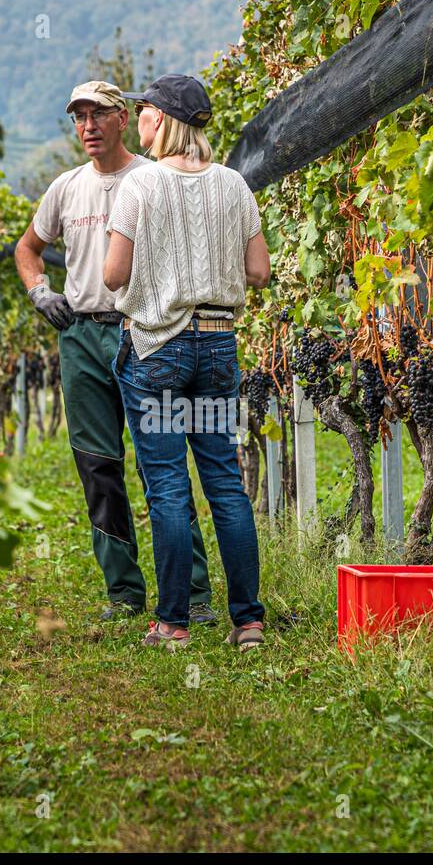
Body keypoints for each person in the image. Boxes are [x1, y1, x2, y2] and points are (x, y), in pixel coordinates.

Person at [14, 80, 216, 624]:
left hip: (145, 333)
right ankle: (123, 593)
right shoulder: (65, 188)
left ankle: (192, 593)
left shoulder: (155, 177)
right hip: (80, 334)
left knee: (162, 466)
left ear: (123, 117)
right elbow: (28, 248)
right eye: (79, 117)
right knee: (98, 466)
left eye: (98, 115)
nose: (88, 127)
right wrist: (40, 292)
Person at [103, 74, 271, 650]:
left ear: (162, 120)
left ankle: (173, 623)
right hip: (218, 347)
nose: (140, 119)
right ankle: (247, 620)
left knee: (169, 486)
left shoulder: (140, 187)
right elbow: (258, 272)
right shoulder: (234, 186)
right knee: (225, 481)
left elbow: (113, 275)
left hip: (158, 351)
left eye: (144, 111)